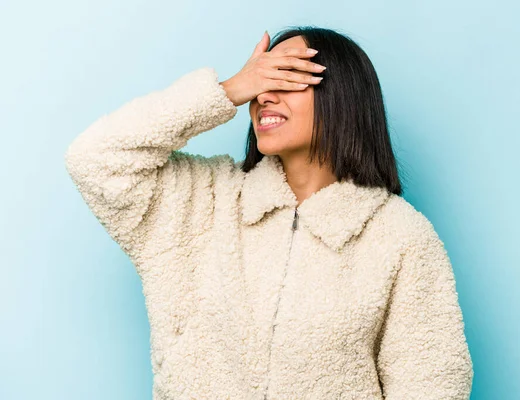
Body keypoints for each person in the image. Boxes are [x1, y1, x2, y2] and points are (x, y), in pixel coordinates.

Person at [64, 25, 474, 399]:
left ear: (342, 97)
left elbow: (434, 383)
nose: (264, 95)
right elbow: (94, 159)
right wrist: (228, 90)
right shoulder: (203, 199)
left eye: (286, 77)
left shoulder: (399, 236)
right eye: (261, 79)